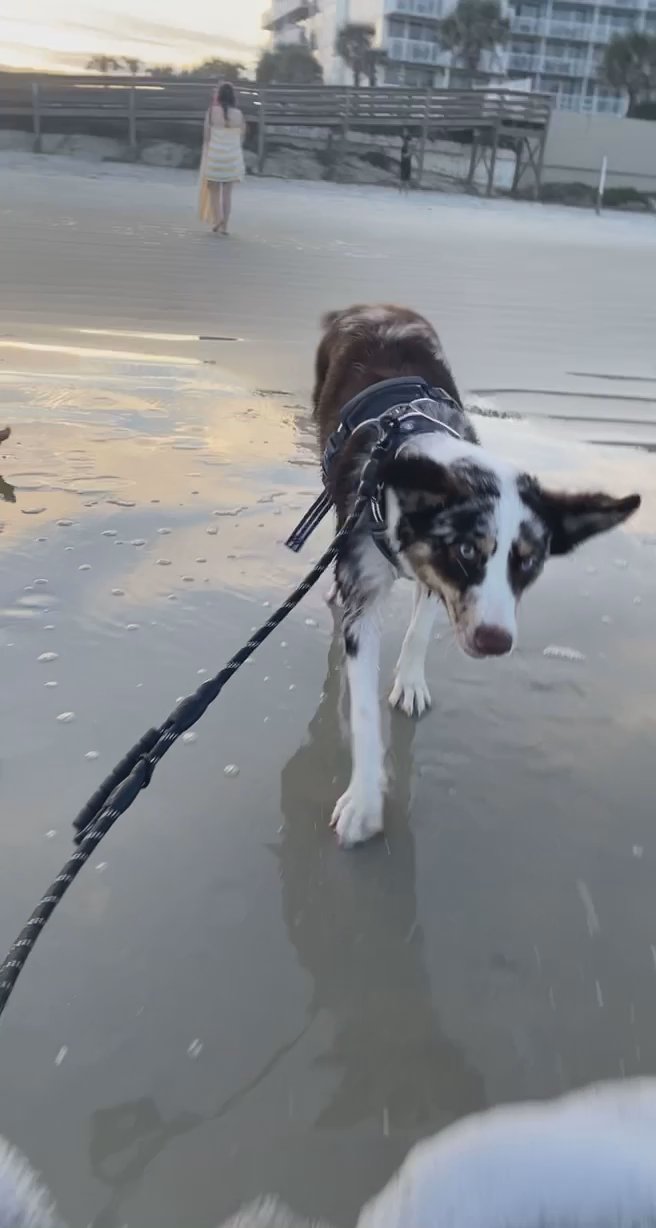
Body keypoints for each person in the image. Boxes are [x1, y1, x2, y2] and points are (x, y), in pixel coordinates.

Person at [199, 82, 245, 236]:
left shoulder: (211, 112)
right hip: (232, 158)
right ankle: (225, 226)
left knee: (213, 191)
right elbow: (241, 138)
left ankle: (218, 218)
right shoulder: (239, 114)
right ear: (233, 97)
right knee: (227, 193)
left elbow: (206, 137)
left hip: (215, 156)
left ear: (218, 96)